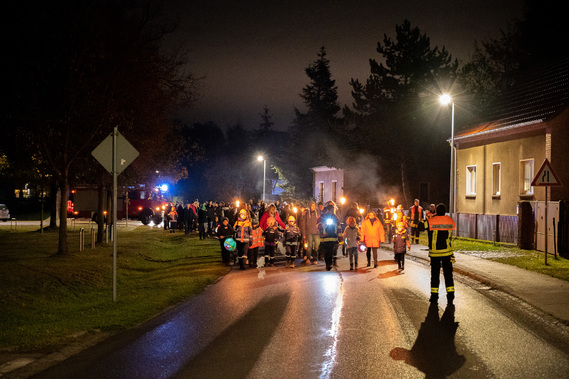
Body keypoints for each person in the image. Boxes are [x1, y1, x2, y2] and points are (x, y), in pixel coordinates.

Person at [420, 203, 456, 304]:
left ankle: (434, 296)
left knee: (435, 275)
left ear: (436, 211)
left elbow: (420, 227)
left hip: (435, 254)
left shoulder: (431, 221)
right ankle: (450, 296)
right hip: (447, 253)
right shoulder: (450, 220)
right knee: (448, 275)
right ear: (445, 211)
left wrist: (425, 218)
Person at [318, 204, 341, 271]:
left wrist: (339, 237)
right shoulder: (323, 216)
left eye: (332, 209)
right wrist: (322, 231)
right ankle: (327, 264)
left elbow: (339, 227)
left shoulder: (335, 217)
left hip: (333, 236)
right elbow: (319, 225)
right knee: (326, 251)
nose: (331, 211)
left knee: (330, 251)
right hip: (325, 237)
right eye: (330, 209)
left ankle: (330, 264)